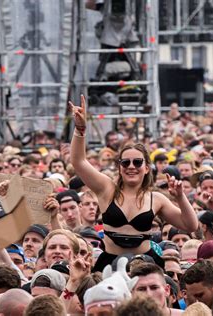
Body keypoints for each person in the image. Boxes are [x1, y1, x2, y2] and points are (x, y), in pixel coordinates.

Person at [69, 95, 198, 271]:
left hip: (145, 265)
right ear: (119, 167)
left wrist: (181, 197)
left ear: (146, 168)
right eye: (125, 162)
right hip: (109, 264)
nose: (131, 167)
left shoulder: (156, 198)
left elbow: (190, 225)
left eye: (137, 162)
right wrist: (80, 129)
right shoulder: (106, 188)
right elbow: (78, 161)